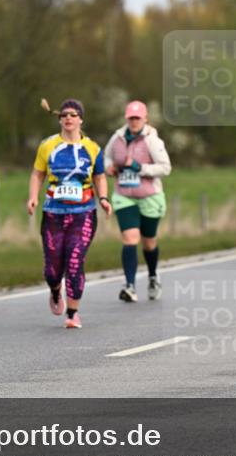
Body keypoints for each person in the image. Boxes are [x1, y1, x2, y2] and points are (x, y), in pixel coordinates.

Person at [28, 99, 112, 329]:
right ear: (59, 119)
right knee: (53, 269)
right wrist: (33, 197)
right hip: (53, 213)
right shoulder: (47, 146)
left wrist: (103, 198)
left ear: (80, 119)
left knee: (75, 260)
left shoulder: (93, 148)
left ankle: (73, 313)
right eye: (64, 114)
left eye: (73, 114)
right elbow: (37, 174)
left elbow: (100, 177)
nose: (68, 118)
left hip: (83, 213)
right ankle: (55, 290)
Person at [104, 100, 171, 301]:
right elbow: (106, 157)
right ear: (126, 119)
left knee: (149, 242)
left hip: (150, 196)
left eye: (137, 118)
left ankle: (152, 276)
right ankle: (130, 286)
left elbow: (165, 168)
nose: (134, 122)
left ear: (145, 119)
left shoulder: (153, 140)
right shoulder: (116, 138)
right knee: (130, 238)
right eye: (131, 118)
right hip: (124, 196)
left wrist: (139, 167)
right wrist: (109, 167)